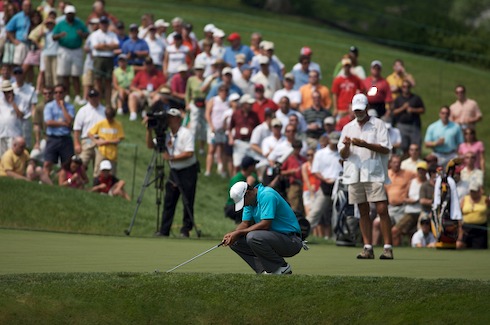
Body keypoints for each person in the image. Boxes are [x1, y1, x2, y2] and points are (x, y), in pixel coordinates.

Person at [338, 93, 394, 259]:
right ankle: (368, 247)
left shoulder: (378, 125)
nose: (358, 113)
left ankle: (388, 247)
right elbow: (343, 154)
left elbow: (386, 148)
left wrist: (365, 144)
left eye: (361, 110)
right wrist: (347, 146)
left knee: (382, 208)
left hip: (374, 172)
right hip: (355, 173)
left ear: (367, 108)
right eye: (356, 110)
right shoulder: (347, 127)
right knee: (363, 211)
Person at [223, 181, 304, 275]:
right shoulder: (250, 202)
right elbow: (245, 223)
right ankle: (266, 271)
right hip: (272, 239)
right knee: (235, 241)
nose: (244, 205)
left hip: (291, 240)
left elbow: (265, 224)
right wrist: (233, 235)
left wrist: (238, 233)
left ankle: (281, 267)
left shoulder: (267, 195)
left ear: (248, 193)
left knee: (253, 236)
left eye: (243, 201)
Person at [148, 108, 198, 238]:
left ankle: (185, 230)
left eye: (171, 117)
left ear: (177, 119)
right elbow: (150, 145)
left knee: (187, 200)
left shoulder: (186, 133)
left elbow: (189, 153)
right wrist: (149, 130)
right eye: (168, 117)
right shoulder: (166, 135)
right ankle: (164, 230)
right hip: (174, 170)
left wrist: (171, 158)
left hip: (188, 170)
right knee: (169, 200)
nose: (168, 120)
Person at [306, 131, 343, 239]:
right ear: (328, 140)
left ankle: (339, 237)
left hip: (339, 186)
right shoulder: (320, 153)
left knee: (339, 214)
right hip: (325, 186)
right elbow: (315, 171)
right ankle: (301, 235)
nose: (335, 144)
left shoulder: (342, 153)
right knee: (315, 212)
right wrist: (325, 179)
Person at [52, 5, 89, 105]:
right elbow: (53, 37)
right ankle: (67, 94)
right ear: (65, 14)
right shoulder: (61, 24)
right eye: (69, 14)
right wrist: (60, 35)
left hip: (76, 50)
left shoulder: (79, 23)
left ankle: (77, 95)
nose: (71, 16)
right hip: (64, 50)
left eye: (72, 14)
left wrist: (82, 34)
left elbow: (87, 34)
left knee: (76, 74)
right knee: (65, 74)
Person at [42, 84, 75, 184]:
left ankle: (63, 183)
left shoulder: (70, 107)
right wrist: (63, 123)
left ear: (64, 93)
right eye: (56, 92)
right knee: (48, 162)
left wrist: (62, 107)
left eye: (60, 92)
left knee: (67, 164)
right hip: (53, 138)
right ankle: (46, 182)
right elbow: (48, 122)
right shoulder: (49, 106)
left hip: (65, 138)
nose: (58, 94)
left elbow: (69, 120)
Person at [392, 161, 427, 246]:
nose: (421, 172)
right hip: (410, 212)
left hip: (423, 212)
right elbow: (404, 197)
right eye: (419, 170)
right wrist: (410, 200)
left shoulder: (428, 183)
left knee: (419, 234)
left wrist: (421, 200)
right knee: (395, 231)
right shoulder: (412, 182)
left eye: (423, 170)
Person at [72, 88, 106, 173]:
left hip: (101, 141)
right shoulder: (83, 110)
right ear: (88, 98)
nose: (93, 99)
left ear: (99, 97)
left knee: (99, 166)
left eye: (95, 97)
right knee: (81, 163)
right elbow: (77, 129)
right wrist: (76, 143)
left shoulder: (104, 110)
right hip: (87, 140)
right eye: (91, 97)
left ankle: (95, 184)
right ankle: (79, 183)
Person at [90, 15, 119, 106]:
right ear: (100, 24)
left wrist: (103, 46)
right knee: (98, 81)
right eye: (102, 23)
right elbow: (96, 47)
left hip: (109, 59)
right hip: (99, 58)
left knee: (108, 81)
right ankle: (98, 101)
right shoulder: (95, 34)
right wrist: (108, 46)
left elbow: (116, 45)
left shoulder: (112, 34)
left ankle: (108, 103)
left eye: (105, 23)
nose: (104, 25)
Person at [88, 107, 125, 176]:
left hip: (112, 153)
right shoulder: (101, 123)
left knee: (111, 173)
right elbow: (90, 133)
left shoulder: (118, 125)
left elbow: (119, 139)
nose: (109, 119)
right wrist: (96, 141)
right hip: (101, 151)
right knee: (98, 171)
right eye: (108, 117)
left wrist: (105, 142)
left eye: (110, 117)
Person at [392, 80, 425, 154]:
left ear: (410, 87)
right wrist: (403, 108)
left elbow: (422, 110)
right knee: (403, 147)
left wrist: (413, 110)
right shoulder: (398, 99)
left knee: (415, 146)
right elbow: (394, 112)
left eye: (407, 86)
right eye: (404, 86)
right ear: (402, 88)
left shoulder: (416, 98)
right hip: (402, 125)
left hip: (414, 125)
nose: (406, 88)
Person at [224, 156, 259, 224]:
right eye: (254, 165)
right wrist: (249, 184)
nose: (255, 167)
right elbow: (241, 197)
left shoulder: (253, 176)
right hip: (233, 205)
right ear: (250, 167)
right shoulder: (237, 179)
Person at [460, 181, 489, 249]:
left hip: (480, 229)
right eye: (471, 191)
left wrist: (487, 215)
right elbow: (460, 211)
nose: (473, 193)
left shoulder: (485, 199)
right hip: (466, 228)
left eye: (475, 191)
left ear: (479, 191)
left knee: (479, 248)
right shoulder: (465, 199)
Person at [0, 80, 23, 157]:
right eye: (5, 92)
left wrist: (12, 102)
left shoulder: (19, 99)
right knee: (2, 157)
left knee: (12, 156)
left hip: (13, 134)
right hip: (2, 133)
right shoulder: (1, 101)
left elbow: (21, 115)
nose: (7, 94)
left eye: (8, 92)